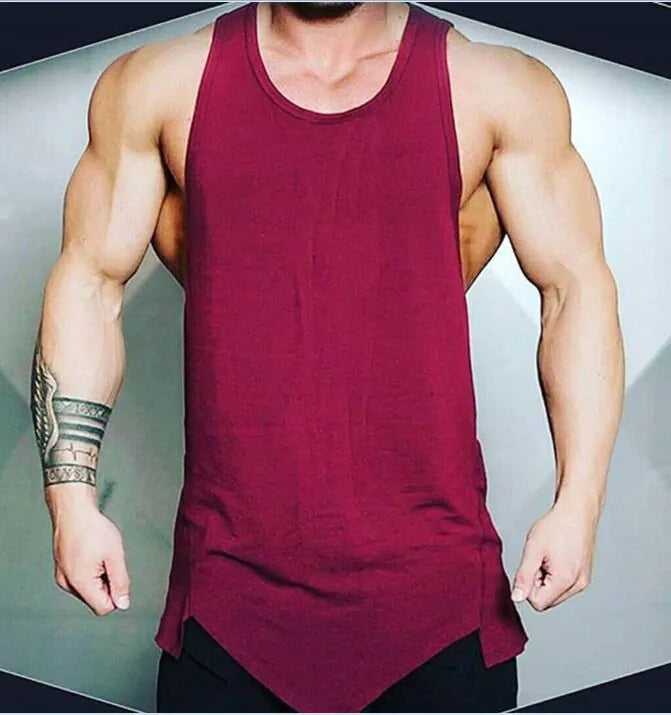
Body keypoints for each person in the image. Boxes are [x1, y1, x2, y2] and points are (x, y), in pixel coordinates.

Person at [30, 2, 624, 712]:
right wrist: (71, 503)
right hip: (229, 608)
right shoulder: (160, 86)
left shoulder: (494, 89)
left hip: (437, 608)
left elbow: (574, 291)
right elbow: (90, 283)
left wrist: (579, 502)